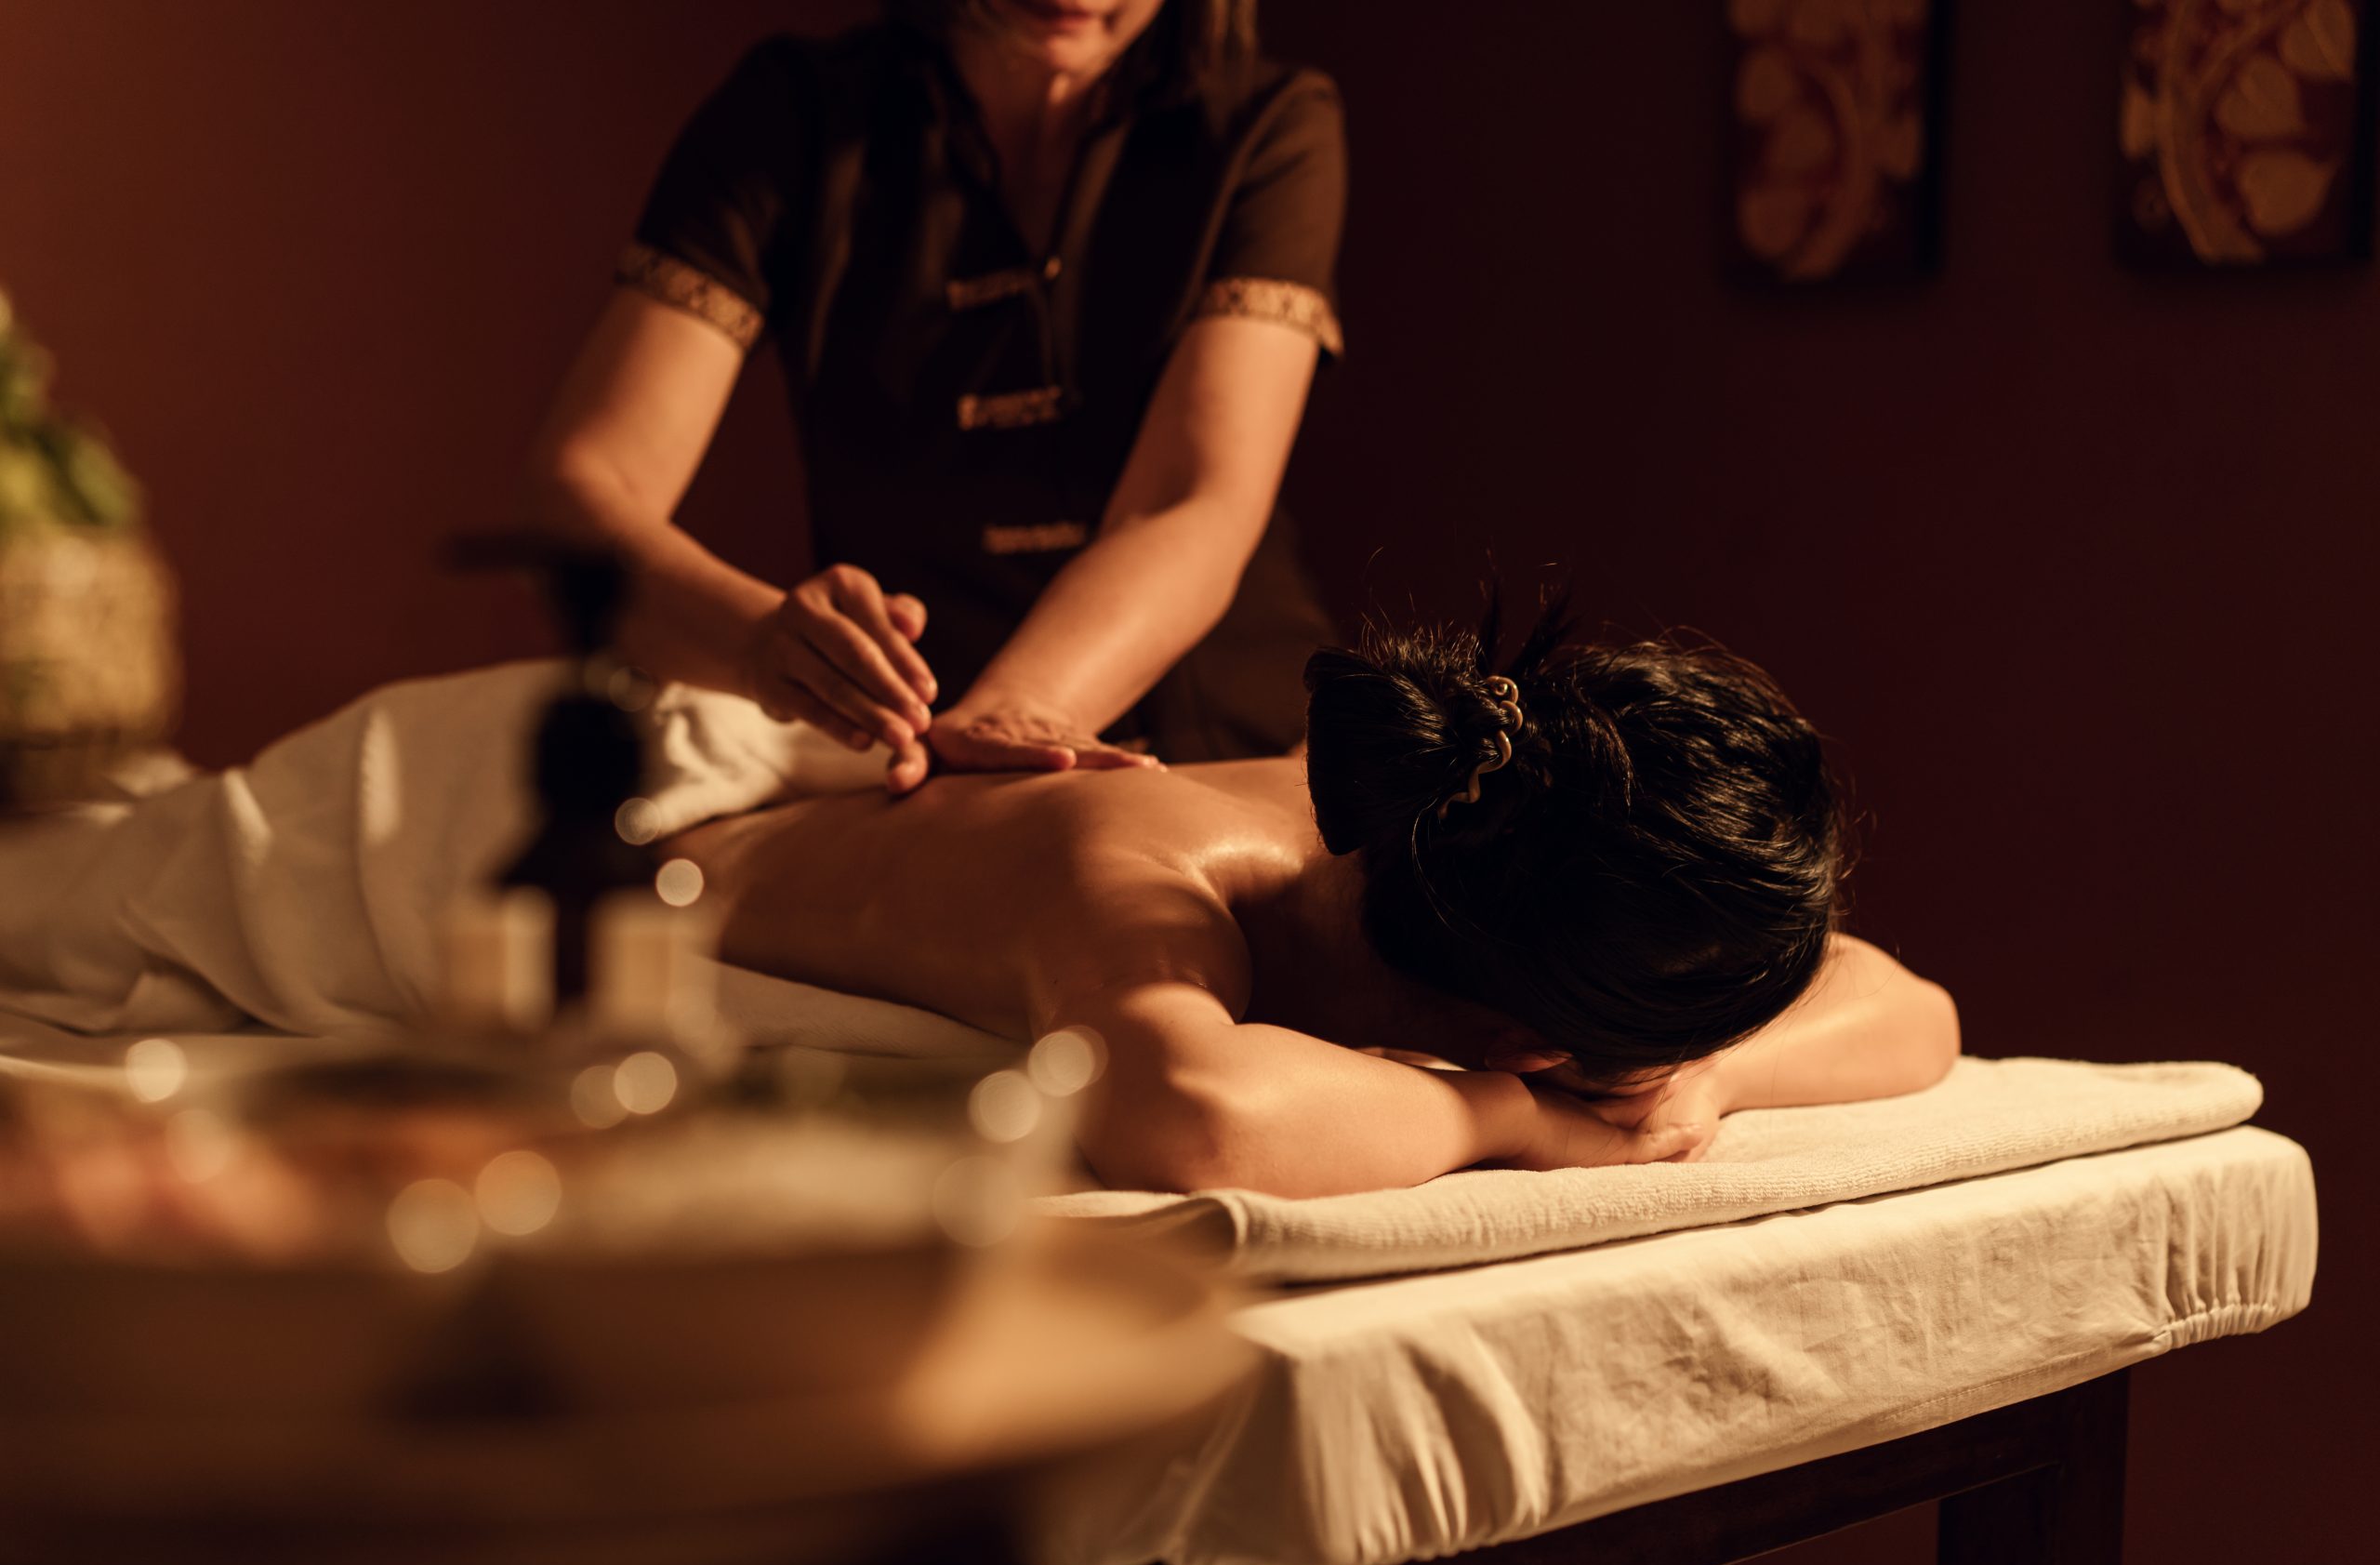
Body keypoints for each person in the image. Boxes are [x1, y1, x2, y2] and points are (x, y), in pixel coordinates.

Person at [672, 604, 1961, 1197]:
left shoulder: (1472, 831)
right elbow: (1187, 1119)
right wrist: (1509, 1120)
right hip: (660, 851)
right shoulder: (1153, 887)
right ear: (1533, 1043)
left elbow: (1913, 1008)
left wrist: (1716, 1081)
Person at [523, 0, 1347, 794]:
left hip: (1236, 744)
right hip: (924, 758)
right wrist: (761, 647)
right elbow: (577, 497)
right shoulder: (796, 115)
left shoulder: (1270, 121)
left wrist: (1025, 709)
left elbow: (1191, 497)